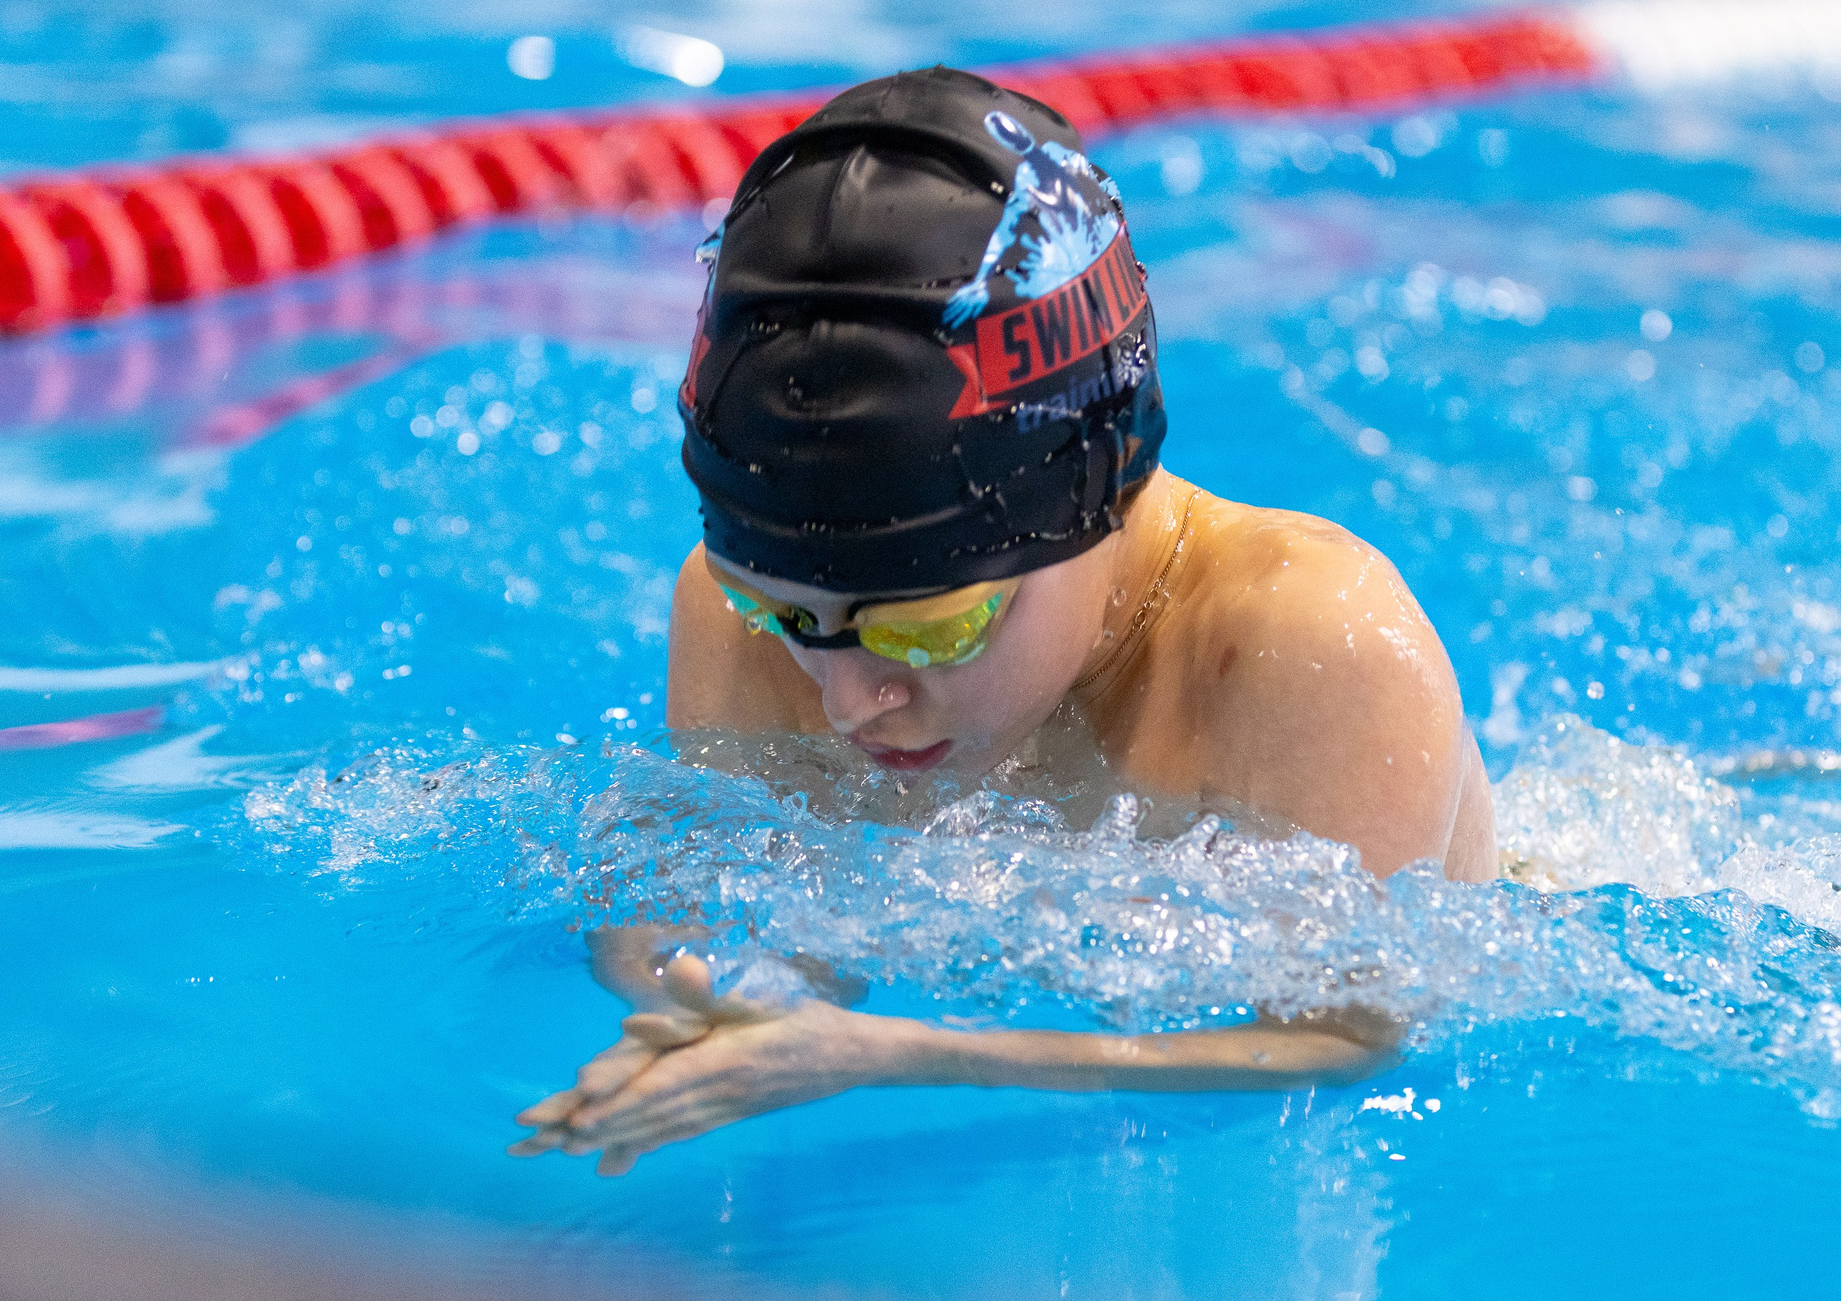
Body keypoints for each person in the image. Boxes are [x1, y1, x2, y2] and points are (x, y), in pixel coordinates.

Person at [512, 67, 1496, 1176]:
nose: (846, 699)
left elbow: (1350, 1036)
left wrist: (895, 1053)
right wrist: (702, 1009)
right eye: (788, 614)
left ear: (1104, 489)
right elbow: (738, 926)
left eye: (926, 627)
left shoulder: (1311, 641)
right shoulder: (731, 611)